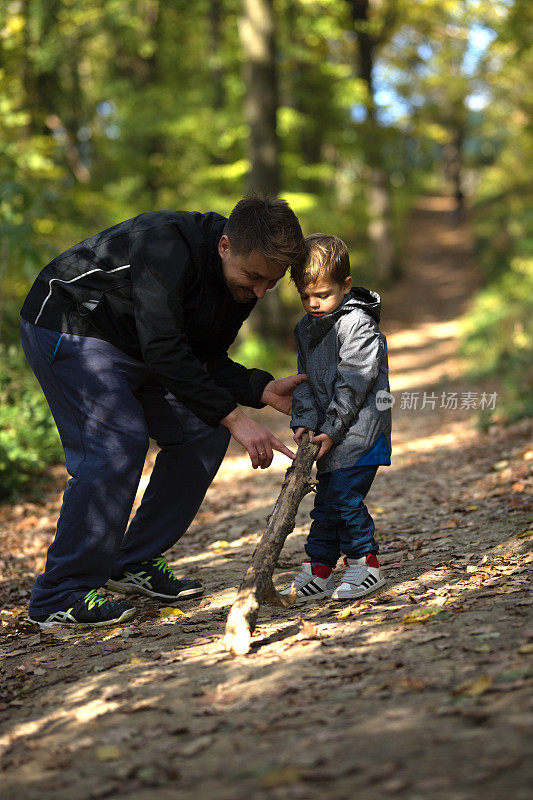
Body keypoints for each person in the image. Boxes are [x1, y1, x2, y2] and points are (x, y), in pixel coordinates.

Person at [20, 195, 307, 628]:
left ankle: (131, 562)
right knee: (117, 444)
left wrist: (259, 388)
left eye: (273, 282)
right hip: (71, 324)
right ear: (225, 246)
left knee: (203, 431)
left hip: (137, 346)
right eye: (255, 277)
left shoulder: (242, 282)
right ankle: (60, 593)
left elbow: (202, 356)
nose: (261, 292)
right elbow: (164, 348)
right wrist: (237, 419)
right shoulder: (165, 243)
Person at [282, 233, 392, 602]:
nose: (313, 304)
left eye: (322, 295)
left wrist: (330, 428)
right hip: (330, 435)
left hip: (361, 432)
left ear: (345, 286)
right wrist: (305, 421)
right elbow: (305, 382)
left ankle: (366, 564)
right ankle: (320, 569)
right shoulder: (305, 328)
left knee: (344, 500)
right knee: (326, 504)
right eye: (305, 296)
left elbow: (353, 384)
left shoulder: (357, 325)